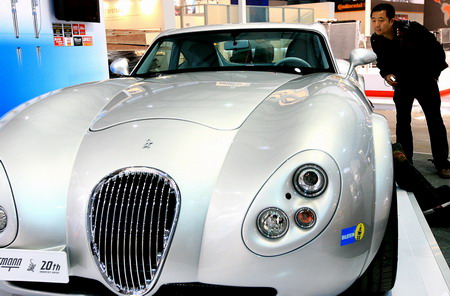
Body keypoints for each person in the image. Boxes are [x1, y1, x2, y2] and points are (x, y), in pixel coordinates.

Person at [370, 3, 450, 179]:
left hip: (425, 82)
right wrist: (386, 74)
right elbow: (382, 62)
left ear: (392, 20)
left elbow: (437, 52)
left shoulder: (412, 30)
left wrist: (434, 75)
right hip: (403, 85)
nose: (377, 24)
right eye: (374, 20)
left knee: (434, 121)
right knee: (402, 122)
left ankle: (442, 163)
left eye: (381, 20)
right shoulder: (376, 39)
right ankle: (406, 163)